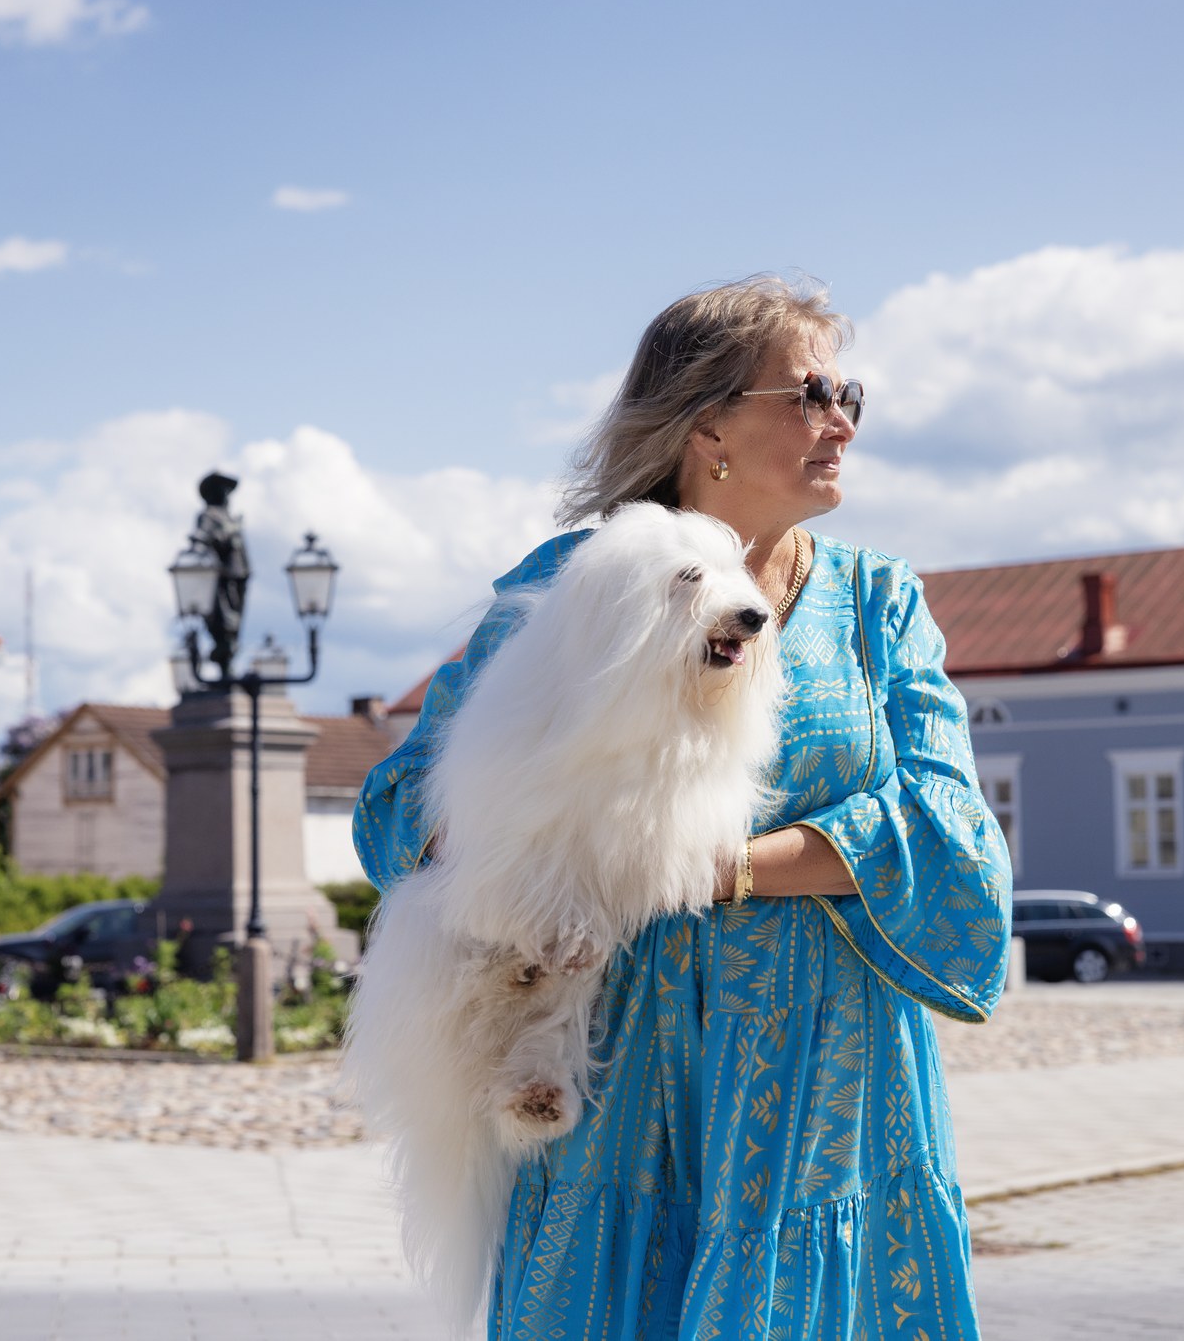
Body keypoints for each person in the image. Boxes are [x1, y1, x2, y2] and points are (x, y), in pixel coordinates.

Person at [354, 275, 1013, 1340]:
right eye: (807, 394)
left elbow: (947, 834)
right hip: (617, 1072)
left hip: (824, 1078)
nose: (840, 420)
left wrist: (710, 864)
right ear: (706, 422)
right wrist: (545, 834)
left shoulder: (878, 604)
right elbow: (393, 812)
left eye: (848, 394)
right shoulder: (574, 581)